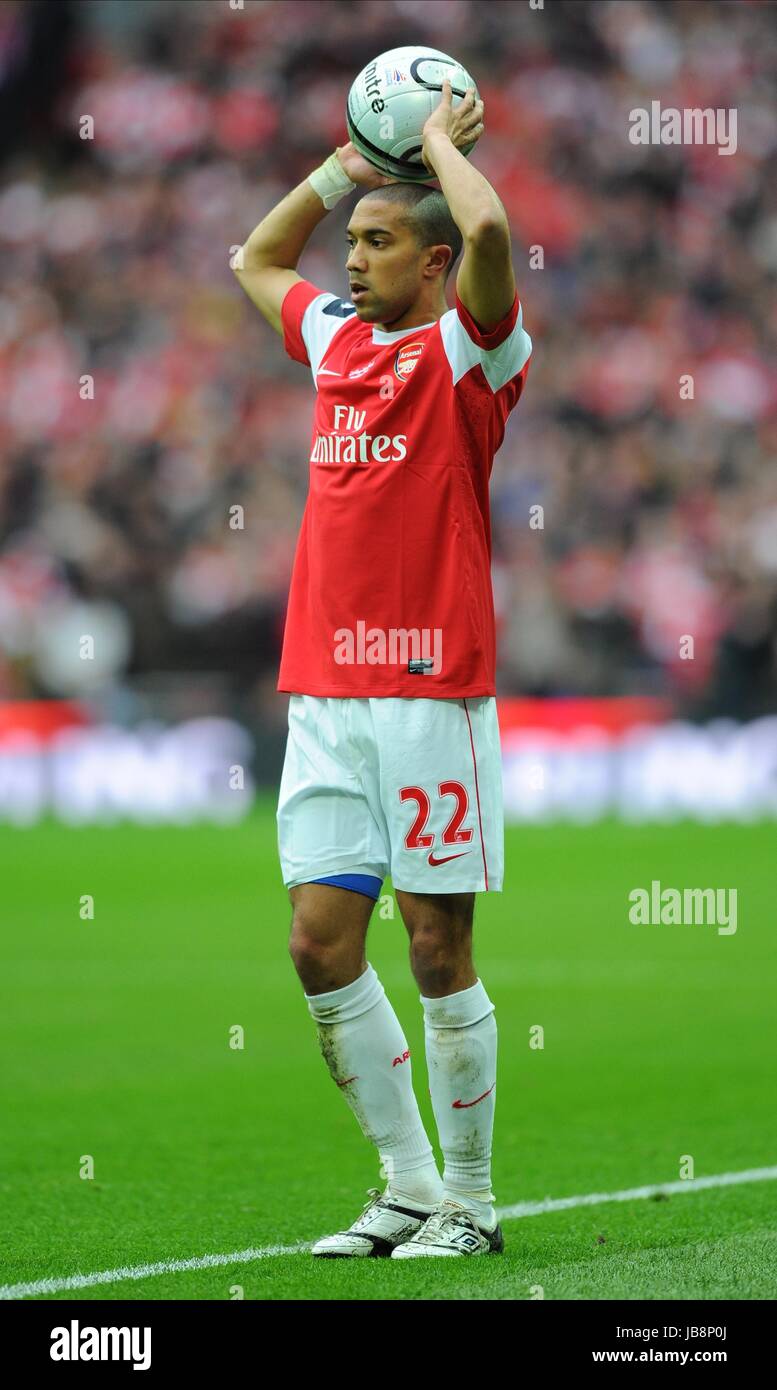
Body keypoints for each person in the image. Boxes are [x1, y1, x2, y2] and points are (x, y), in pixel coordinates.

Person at [233, 79, 532, 1258]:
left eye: (377, 241)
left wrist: (438, 150)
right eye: (351, 244)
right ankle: (404, 1184)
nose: (350, 260)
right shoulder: (338, 344)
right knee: (318, 941)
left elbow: (496, 234)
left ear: (434, 261)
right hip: (323, 689)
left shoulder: (471, 353)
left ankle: (472, 1199)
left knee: (436, 946)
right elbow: (256, 261)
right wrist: (343, 171)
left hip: (427, 691)